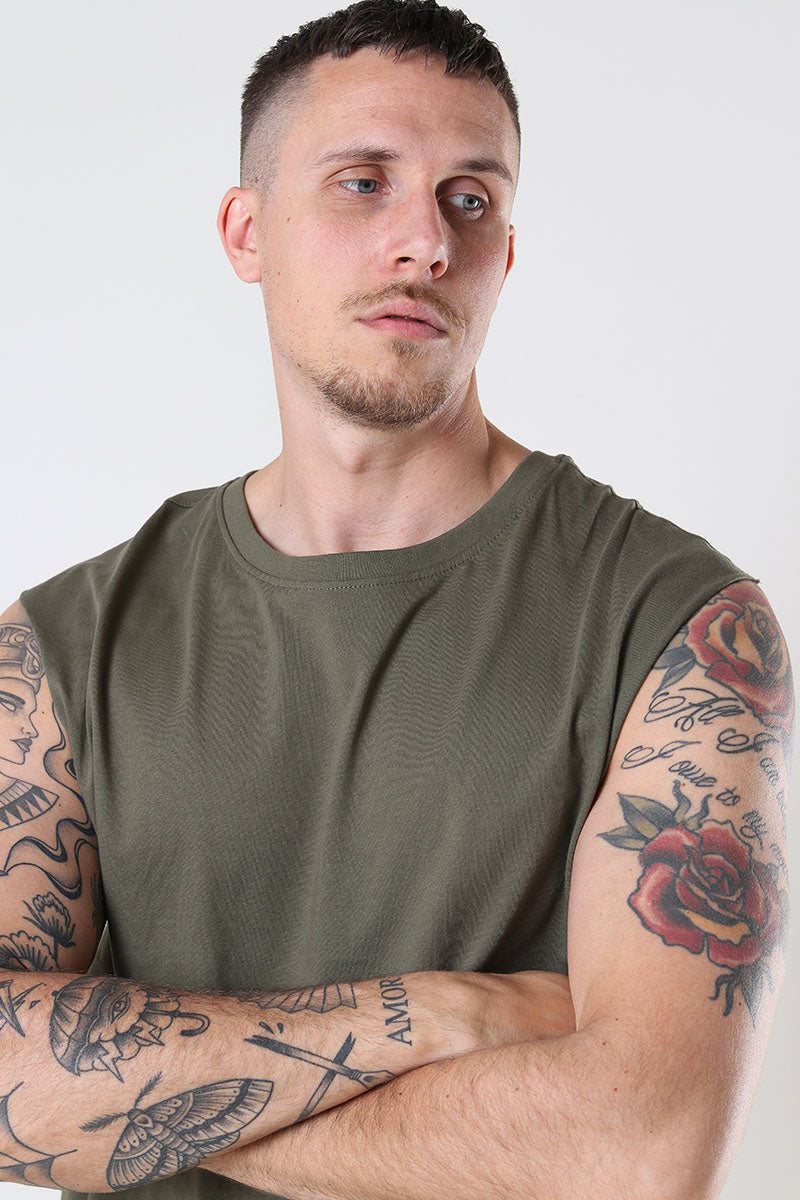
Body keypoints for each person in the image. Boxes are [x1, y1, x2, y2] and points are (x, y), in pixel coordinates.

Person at [0, 1, 792, 1197]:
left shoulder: (675, 626)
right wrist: (423, 1017)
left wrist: (123, 1109)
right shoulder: (64, 646)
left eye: (469, 199)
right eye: (362, 183)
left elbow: (640, 1151)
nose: (423, 242)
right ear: (247, 232)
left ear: (505, 255)